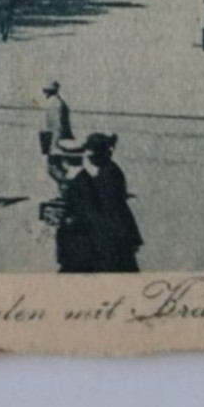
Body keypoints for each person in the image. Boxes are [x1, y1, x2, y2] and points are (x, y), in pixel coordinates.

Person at [83, 132, 143, 271]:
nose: (89, 156)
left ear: (100, 153)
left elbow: (106, 201)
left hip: (115, 226)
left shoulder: (107, 173)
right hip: (120, 223)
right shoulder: (110, 169)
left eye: (91, 152)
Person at [53, 138, 98, 273]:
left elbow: (85, 208)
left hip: (78, 235)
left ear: (65, 160)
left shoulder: (81, 180)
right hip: (74, 233)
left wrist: (69, 219)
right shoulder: (77, 176)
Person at [40, 80, 73, 188]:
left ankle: (67, 187)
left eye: (46, 91)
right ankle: (66, 188)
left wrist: (54, 146)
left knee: (53, 167)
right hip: (59, 141)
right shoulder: (58, 103)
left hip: (57, 142)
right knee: (59, 166)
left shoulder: (55, 105)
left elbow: (58, 127)